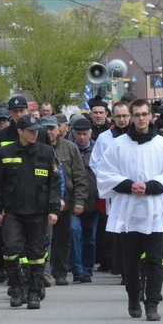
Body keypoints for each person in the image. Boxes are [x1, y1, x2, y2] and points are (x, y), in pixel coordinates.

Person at [96, 99, 163, 321]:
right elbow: (105, 173)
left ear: (152, 116)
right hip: (127, 210)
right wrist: (128, 185)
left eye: (145, 114)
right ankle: (134, 296)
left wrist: (149, 186)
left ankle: (152, 302)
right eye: (137, 115)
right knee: (130, 260)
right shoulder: (118, 145)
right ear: (131, 117)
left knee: (154, 260)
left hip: (153, 209)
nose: (141, 119)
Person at [0, 115, 62, 309]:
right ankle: (17, 289)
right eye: (30, 130)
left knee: (37, 254)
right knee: (10, 250)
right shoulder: (5, 152)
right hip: (13, 212)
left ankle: (34, 292)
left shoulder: (47, 152)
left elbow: (54, 184)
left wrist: (53, 209)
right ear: (20, 132)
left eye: (36, 130)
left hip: (38, 213)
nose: (34, 134)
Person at [42, 115, 89, 285]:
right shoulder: (38, 148)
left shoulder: (69, 148)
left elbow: (79, 176)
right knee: (44, 239)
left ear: (59, 130)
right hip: (44, 203)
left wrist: (79, 201)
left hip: (65, 202)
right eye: (45, 129)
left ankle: (60, 273)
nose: (49, 132)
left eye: (51, 129)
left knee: (63, 239)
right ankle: (43, 272)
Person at [90, 101, 131, 277]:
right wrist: (113, 179)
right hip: (115, 192)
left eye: (125, 116)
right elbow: (95, 164)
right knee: (118, 231)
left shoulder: (137, 135)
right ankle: (121, 268)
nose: (122, 120)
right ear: (112, 117)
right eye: (118, 116)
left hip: (136, 189)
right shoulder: (105, 138)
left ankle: (134, 269)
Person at [69, 118, 99, 283]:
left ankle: (87, 270)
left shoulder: (98, 150)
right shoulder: (69, 149)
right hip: (73, 201)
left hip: (93, 202)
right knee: (74, 232)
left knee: (90, 238)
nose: (82, 138)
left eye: (85, 134)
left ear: (90, 133)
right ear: (73, 134)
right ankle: (77, 269)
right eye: (78, 134)